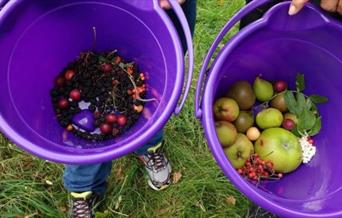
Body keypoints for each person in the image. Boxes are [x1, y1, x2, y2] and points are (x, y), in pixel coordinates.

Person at [63, 1, 196, 218]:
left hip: (161, 8)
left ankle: (150, 146)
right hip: (89, 9)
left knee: (154, 84)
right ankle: (83, 187)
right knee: (86, 105)